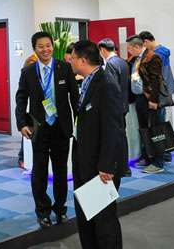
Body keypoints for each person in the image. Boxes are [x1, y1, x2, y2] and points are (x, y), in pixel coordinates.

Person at [15, 31, 79, 228]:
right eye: (41, 46)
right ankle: (42, 212)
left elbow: (74, 97)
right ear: (35, 49)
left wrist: (80, 121)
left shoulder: (64, 67)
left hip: (61, 128)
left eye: (48, 45)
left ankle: (60, 209)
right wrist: (22, 124)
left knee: (61, 171)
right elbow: (21, 99)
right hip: (39, 129)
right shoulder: (28, 72)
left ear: (53, 46)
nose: (45, 50)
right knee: (39, 172)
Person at [69, 40, 125, 249]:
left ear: (83, 60)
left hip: (101, 166)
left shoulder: (106, 83)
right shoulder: (88, 81)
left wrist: (107, 165)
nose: (70, 61)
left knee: (104, 219)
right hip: (85, 160)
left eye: (73, 57)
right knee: (87, 215)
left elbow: (113, 128)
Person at [128, 35, 165, 174]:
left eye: (130, 48)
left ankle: (158, 162)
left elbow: (156, 80)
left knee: (154, 130)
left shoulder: (153, 57)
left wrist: (153, 100)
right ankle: (148, 157)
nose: (129, 51)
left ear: (137, 47)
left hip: (149, 99)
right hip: (139, 98)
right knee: (144, 130)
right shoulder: (136, 59)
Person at [138, 31, 174, 162]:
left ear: (146, 42)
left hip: (158, 94)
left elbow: (157, 78)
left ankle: (163, 154)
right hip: (161, 92)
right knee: (160, 124)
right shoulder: (160, 52)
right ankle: (164, 153)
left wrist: (153, 97)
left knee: (158, 126)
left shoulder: (157, 55)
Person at [98, 38, 131, 177]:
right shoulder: (123, 62)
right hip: (123, 105)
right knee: (122, 137)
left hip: (115, 107)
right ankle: (125, 166)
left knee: (116, 138)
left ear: (102, 50)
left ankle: (121, 167)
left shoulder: (110, 64)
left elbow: (112, 88)